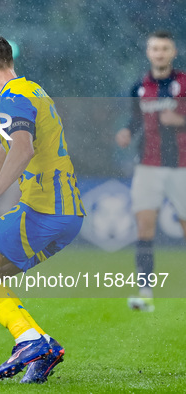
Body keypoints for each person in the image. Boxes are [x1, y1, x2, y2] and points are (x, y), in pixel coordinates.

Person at [0, 34, 84, 383]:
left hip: (44, 211)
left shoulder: (14, 99)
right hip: (64, 214)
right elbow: (5, 149)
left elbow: (21, 149)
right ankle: (42, 347)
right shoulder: (30, 90)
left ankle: (30, 339)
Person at [115, 30, 186, 312]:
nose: (159, 53)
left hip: (181, 166)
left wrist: (180, 120)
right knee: (144, 229)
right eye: (155, 49)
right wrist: (127, 132)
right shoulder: (139, 87)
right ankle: (145, 294)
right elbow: (136, 119)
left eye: (164, 49)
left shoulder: (184, 83)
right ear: (148, 53)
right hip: (148, 165)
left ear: (173, 53)